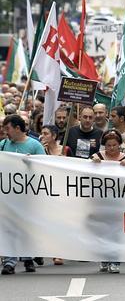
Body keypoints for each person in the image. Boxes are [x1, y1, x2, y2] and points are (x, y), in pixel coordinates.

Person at [0, 115, 46, 275]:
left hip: (28, 195)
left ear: (17, 128)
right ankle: (10, 262)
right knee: (9, 228)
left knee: (26, 227)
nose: (6, 132)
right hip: (8, 195)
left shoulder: (34, 145)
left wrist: (32, 163)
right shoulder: (3, 145)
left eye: (8, 129)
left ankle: (27, 257)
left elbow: (45, 167)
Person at [91, 129, 125, 274]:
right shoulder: (97, 157)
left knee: (116, 232)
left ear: (119, 145)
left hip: (119, 203)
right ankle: (104, 258)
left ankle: (114, 260)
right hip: (100, 202)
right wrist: (93, 162)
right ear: (104, 146)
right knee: (102, 231)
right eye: (108, 145)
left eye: (114, 145)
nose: (112, 148)